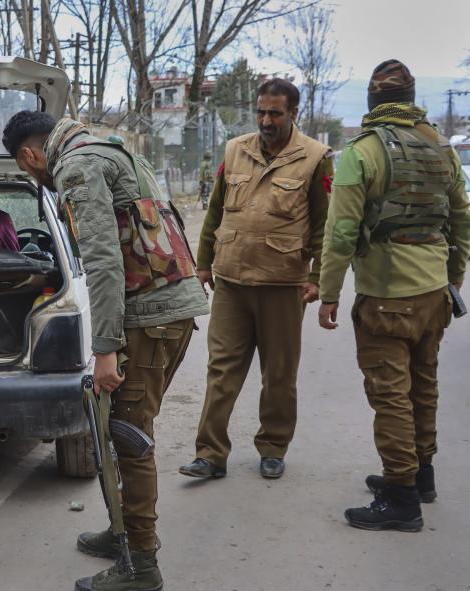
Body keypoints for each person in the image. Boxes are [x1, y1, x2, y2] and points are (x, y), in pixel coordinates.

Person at [2, 111, 209, 591]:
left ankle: (141, 566)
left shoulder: (76, 167)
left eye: (26, 170)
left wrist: (105, 349)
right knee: (123, 431)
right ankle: (123, 532)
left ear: (31, 155)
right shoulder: (111, 150)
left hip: (150, 318)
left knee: (130, 437)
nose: (35, 177)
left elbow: (103, 262)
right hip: (170, 311)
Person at [317, 60, 470, 531]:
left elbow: (341, 232)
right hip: (433, 292)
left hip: (387, 296)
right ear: (411, 97)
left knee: (391, 396)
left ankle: (402, 498)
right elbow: (462, 218)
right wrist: (455, 276)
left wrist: (328, 294)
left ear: (372, 100)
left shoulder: (361, 153)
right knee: (423, 385)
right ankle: (420, 474)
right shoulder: (442, 147)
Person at [179, 78, 333, 481]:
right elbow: (215, 213)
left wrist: (318, 277)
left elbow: (324, 226)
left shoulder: (315, 156)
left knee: (279, 373)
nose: (266, 120)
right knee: (222, 369)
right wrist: (203, 263)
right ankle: (210, 454)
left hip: (283, 283)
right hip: (231, 280)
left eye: (275, 113)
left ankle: (273, 446)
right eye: (261, 112)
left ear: (293, 113)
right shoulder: (235, 149)